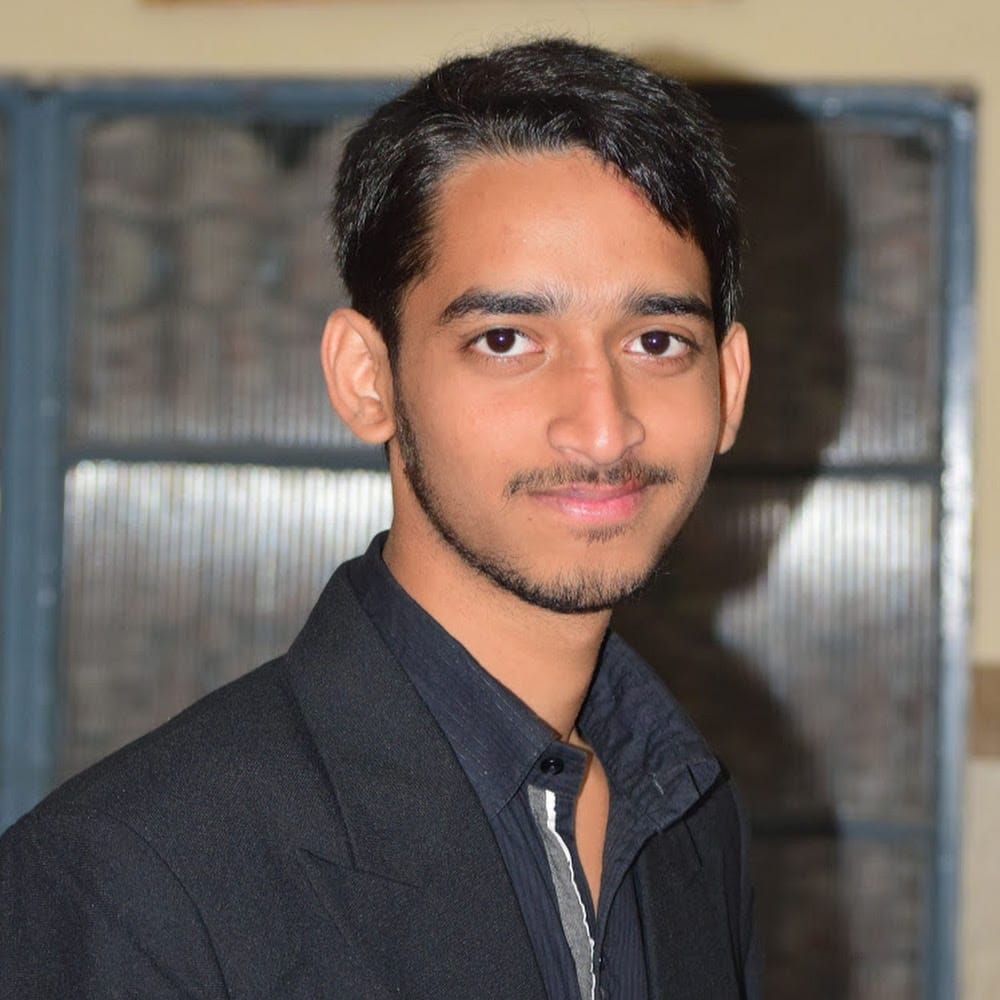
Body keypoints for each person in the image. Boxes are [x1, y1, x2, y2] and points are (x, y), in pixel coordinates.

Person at [0, 37, 755, 999]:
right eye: (506, 339)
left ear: (729, 385)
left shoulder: (690, 815)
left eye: (656, 341)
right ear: (368, 380)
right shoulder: (126, 881)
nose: (601, 426)